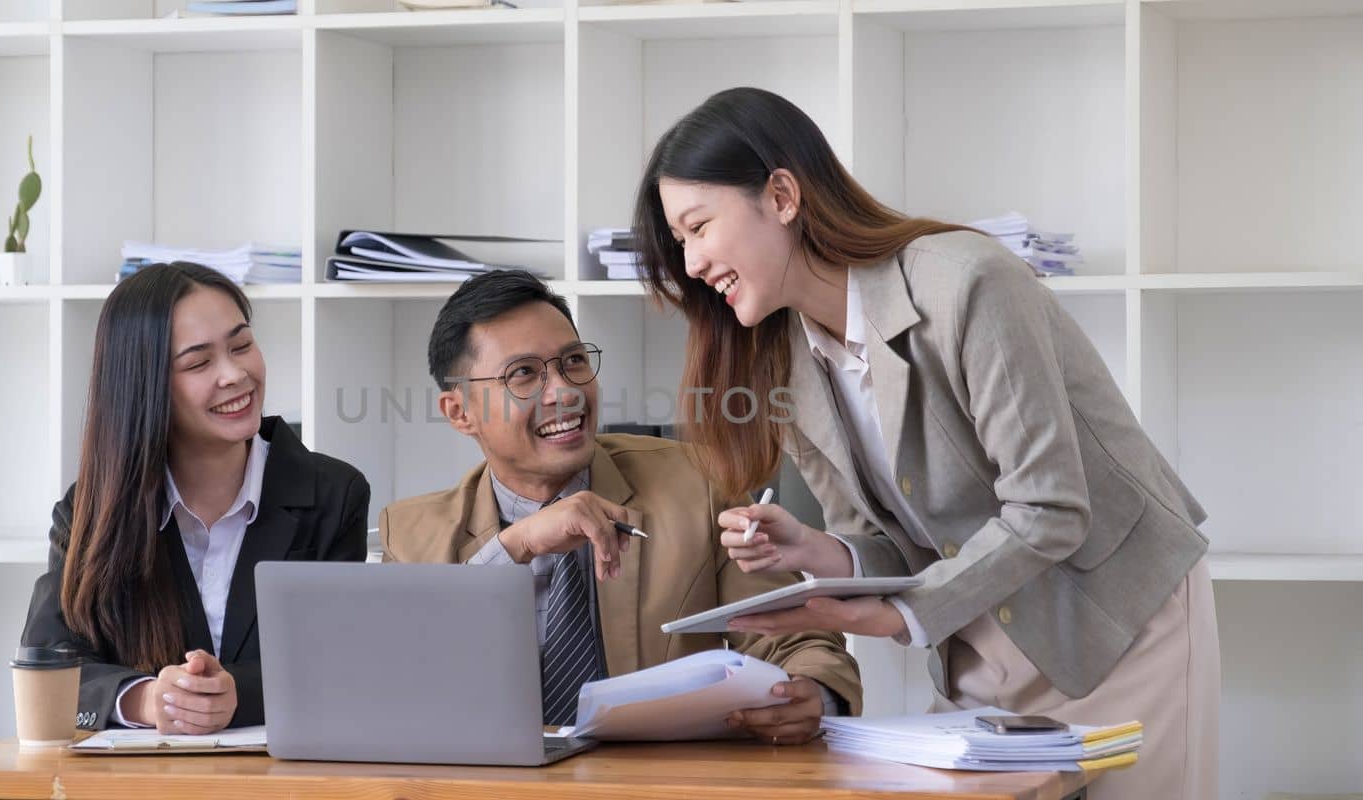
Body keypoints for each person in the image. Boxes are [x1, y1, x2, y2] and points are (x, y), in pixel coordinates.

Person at [632, 87, 1219, 798]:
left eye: (698, 227)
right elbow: (891, 543)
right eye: (679, 242)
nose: (690, 263)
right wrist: (822, 552)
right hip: (978, 638)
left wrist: (900, 613)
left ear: (782, 195)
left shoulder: (966, 282)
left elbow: (1051, 507)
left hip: (1119, 621)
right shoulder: (783, 358)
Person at [381, 269, 861, 746]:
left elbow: (801, 640)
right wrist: (517, 545)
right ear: (460, 413)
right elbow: (394, 686)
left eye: (572, 362)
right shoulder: (410, 533)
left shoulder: (697, 485)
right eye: (524, 373)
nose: (564, 392)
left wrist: (815, 695)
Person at [21, 262, 370, 733]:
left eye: (242, 345)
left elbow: (343, 662)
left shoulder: (333, 494)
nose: (235, 375)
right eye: (199, 362)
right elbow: (50, 665)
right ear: (145, 387)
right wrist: (144, 699)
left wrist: (235, 696)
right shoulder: (91, 509)